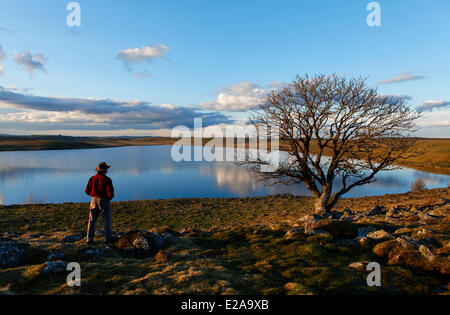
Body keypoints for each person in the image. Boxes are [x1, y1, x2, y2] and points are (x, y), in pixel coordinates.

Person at [85, 162, 115, 244]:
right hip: (104, 200)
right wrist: (108, 198)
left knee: (91, 220)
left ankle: (89, 239)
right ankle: (108, 238)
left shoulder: (92, 178)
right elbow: (110, 193)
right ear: (104, 170)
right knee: (106, 220)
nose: (107, 171)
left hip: (93, 200)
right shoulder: (107, 180)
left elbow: (87, 191)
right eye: (106, 169)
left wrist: (94, 195)